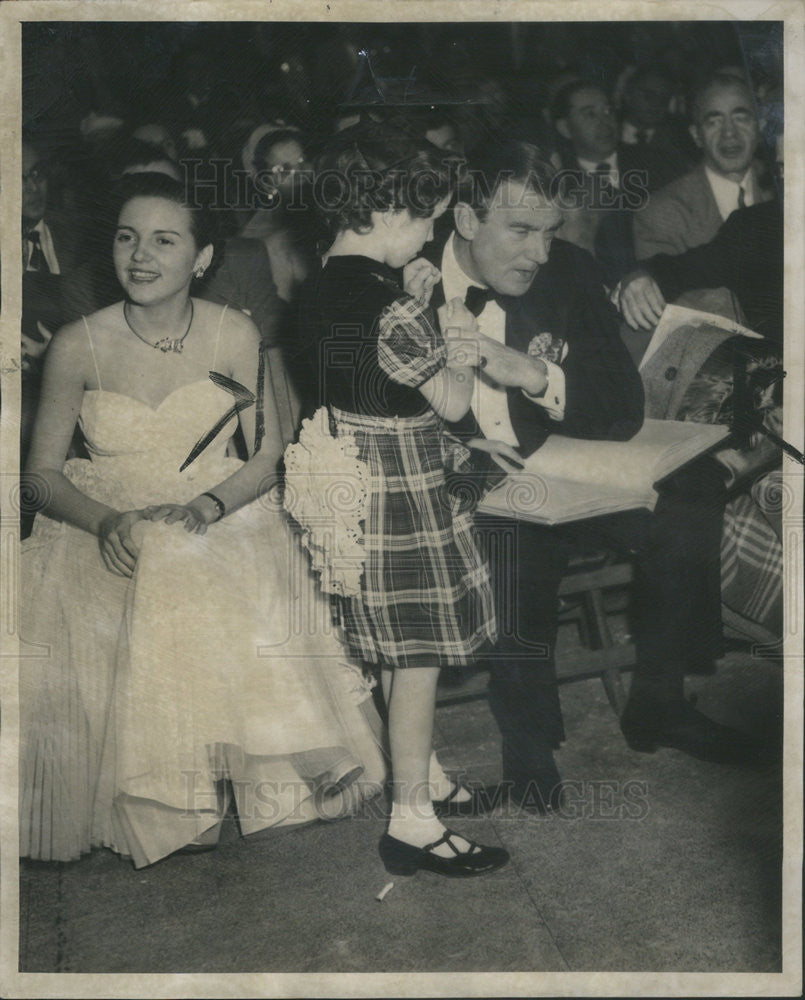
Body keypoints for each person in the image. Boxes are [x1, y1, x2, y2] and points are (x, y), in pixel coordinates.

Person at [19, 171, 385, 868]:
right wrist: (104, 523)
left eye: (164, 240)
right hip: (105, 514)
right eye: (128, 238)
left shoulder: (231, 333)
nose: (140, 256)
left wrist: (206, 506)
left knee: (191, 550)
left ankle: (227, 782)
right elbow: (39, 476)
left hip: (216, 508)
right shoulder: (79, 342)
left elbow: (266, 453)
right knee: (163, 554)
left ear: (203, 258)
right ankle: (185, 794)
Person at [419, 141, 763, 813]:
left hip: (560, 461)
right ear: (463, 220)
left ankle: (660, 702)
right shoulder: (402, 276)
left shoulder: (569, 272)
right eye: (518, 230)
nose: (538, 253)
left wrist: (533, 374)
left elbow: (618, 406)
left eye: (549, 231)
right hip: (460, 479)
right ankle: (529, 738)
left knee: (690, 491)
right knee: (517, 543)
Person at [291, 122, 509, 878]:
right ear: (384, 210)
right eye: (424, 219)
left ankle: (429, 775)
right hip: (401, 488)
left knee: (391, 641)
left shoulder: (317, 285)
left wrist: (409, 291)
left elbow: (367, 367)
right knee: (415, 656)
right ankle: (411, 821)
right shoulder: (394, 307)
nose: (428, 235)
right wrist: (451, 324)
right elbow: (451, 403)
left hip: (350, 477)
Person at [632, 71, 774, 261]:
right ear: (696, 135)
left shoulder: (782, 193)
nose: (729, 133)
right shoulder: (661, 214)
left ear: (759, 127)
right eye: (714, 122)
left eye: (740, 118)